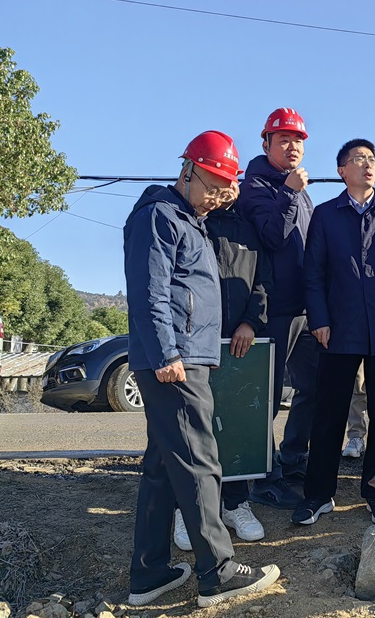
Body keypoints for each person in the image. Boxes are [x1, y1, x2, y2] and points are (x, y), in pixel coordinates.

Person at [123, 130, 278, 607]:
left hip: (187, 355)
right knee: (200, 460)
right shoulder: (159, 215)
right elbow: (149, 292)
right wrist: (166, 353)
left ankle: (148, 574)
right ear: (186, 170)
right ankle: (218, 571)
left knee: (162, 466)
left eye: (222, 188)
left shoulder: (192, 219)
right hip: (177, 361)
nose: (214, 196)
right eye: (210, 185)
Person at [292, 138, 375, 526]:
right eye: (358, 159)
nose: (367, 165)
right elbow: (313, 274)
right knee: (329, 413)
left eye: (372, 159)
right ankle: (318, 494)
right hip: (339, 328)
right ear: (341, 170)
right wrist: (319, 319)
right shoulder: (326, 215)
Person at [171, 182, 272, 548]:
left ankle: (235, 504)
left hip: (239, 345)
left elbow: (263, 283)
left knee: (235, 425)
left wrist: (251, 322)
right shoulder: (190, 222)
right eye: (218, 182)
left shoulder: (249, 231)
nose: (225, 190)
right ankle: (187, 509)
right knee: (192, 429)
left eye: (232, 182)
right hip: (194, 344)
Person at [238, 107, 319, 508]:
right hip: (272, 309)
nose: (292, 147)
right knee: (265, 399)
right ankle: (262, 478)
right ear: (266, 142)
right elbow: (272, 237)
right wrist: (287, 192)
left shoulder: (299, 188)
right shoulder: (255, 185)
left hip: (306, 309)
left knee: (314, 388)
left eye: (298, 141)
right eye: (284, 139)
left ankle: (292, 459)